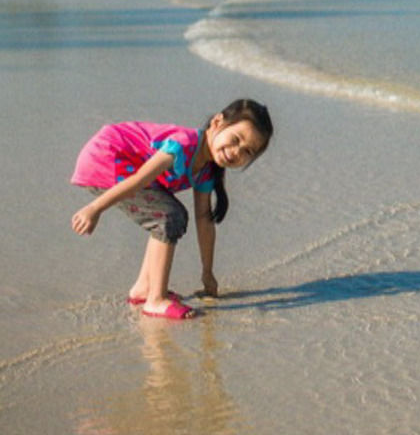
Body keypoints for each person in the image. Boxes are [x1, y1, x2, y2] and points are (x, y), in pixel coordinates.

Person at [70, 99, 273, 319]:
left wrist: (207, 273)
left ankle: (143, 289)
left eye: (246, 152)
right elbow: (139, 180)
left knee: (166, 214)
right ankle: (155, 300)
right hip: (105, 157)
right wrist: (95, 208)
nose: (235, 152)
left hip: (120, 166)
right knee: (170, 215)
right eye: (235, 140)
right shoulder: (182, 145)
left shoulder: (205, 169)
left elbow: (204, 219)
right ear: (216, 122)